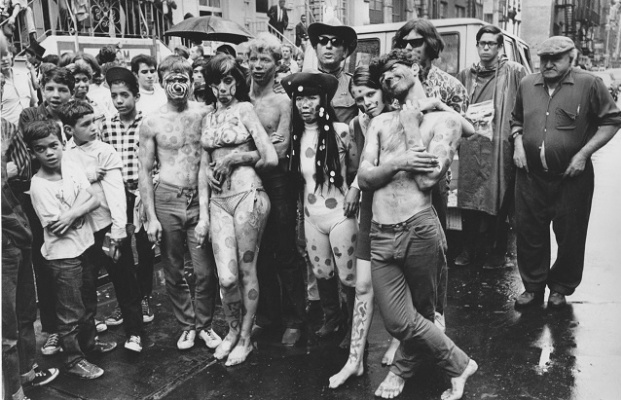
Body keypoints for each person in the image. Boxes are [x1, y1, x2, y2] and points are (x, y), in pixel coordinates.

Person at [358, 49, 477, 400]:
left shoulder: (446, 122)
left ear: (414, 67)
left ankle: (401, 371)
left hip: (419, 228)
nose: (387, 78)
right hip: (381, 232)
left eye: (393, 69)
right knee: (397, 320)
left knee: (424, 312)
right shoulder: (380, 123)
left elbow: (427, 181)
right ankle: (459, 363)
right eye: (382, 76)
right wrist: (398, 163)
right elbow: (364, 178)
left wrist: (412, 128)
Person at [511, 36, 621, 309]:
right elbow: (516, 119)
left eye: (555, 58)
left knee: (571, 235)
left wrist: (584, 154)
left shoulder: (589, 84)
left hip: (572, 177)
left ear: (571, 59)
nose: (548, 64)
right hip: (531, 176)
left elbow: (611, 121)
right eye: (544, 58)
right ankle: (533, 287)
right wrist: (518, 144)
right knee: (529, 233)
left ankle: (560, 288)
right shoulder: (527, 84)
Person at [138, 55, 222, 350]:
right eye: (171, 80)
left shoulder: (205, 114)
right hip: (167, 197)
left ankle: (205, 325)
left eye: (182, 79)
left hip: (200, 198)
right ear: (162, 83)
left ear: (192, 81)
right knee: (173, 270)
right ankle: (187, 326)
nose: (178, 85)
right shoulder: (151, 121)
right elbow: (144, 171)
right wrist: (151, 217)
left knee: (204, 271)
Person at [200, 54, 278, 365]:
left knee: (247, 271)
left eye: (228, 80)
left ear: (237, 81)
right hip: (219, 202)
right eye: (216, 82)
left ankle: (245, 337)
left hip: (248, 195)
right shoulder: (208, 118)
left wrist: (234, 158)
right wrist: (203, 213)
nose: (222, 88)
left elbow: (269, 156)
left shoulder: (245, 109)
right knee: (227, 279)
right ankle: (232, 330)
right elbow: (204, 166)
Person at [328, 65, 397, 388]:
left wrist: (356, 186)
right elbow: (362, 165)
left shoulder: (403, 117)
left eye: (371, 94)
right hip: (371, 208)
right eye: (359, 98)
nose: (367, 102)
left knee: (402, 282)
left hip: (401, 206)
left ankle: (400, 342)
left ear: (384, 89)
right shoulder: (358, 123)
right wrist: (356, 186)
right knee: (363, 284)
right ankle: (355, 360)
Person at [25, 120, 110, 379]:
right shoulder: (39, 185)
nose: (49, 153)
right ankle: (74, 360)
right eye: (41, 149)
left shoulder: (71, 167)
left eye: (54, 145)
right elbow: (57, 227)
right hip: (62, 257)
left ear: (63, 143)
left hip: (84, 246)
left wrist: (71, 213)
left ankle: (89, 345)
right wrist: (82, 203)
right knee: (69, 311)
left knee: (88, 302)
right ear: (32, 152)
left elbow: (95, 199)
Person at [281, 72, 360, 346]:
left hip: (341, 215)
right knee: (322, 272)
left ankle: (354, 327)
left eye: (311, 98)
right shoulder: (295, 136)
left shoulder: (341, 132)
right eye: (299, 99)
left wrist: (354, 191)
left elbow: (357, 168)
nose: (305, 104)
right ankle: (332, 317)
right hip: (312, 217)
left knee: (348, 276)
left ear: (323, 100)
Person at [60, 99, 144, 353]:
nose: (94, 128)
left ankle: (134, 333)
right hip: (83, 232)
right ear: (69, 130)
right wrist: (87, 176)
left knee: (125, 281)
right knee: (86, 287)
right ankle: (89, 342)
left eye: (94, 121)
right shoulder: (64, 154)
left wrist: (119, 229)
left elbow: (116, 193)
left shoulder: (104, 151)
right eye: (85, 124)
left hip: (108, 227)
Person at [246, 33, 307, 346]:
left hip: (279, 182)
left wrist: (242, 156)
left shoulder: (283, 102)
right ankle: (268, 315)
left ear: (277, 63)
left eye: (265, 60)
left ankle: (295, 318)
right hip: (248, 183)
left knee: (284, 249)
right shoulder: (243, 99)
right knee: (259, 252)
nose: (258, 65)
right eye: (253, 59)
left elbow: (280, 151)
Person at [455, 25, 527, 268]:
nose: (486, 48)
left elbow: (525, 105)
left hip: (500, 146)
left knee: (498, 196)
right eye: (482, 43)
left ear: (499, 47)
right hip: (471, 144)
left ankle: (496, 253)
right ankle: (468, 249)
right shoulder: (466, 75)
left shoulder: (514, 72)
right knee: (469, 195)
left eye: (491, 44)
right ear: (477, 46)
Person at [18, 67, 75, 357]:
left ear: (71, 93)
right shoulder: (30, 116)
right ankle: (53, 329)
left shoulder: (74, 115)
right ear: (41, 89)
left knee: (78, 262)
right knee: (45, 262)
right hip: (39, 197)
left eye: (62, 90)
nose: (56, 95)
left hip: (73, 195)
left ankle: (81, 325)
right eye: (50, 88)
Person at [101, 67, 156, 326]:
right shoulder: (107, 126)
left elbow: (156, 161)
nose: (119, 100)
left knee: (145, 249)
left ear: (136, 96)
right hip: (117, 195)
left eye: (124, 95)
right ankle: (126, 301)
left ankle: (144, 296)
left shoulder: (148, 123)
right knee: (119, 251)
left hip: (143, 193)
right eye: (114, 96)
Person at [307, 20, 358, 124]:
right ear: (316, 50)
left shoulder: (354, 84)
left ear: (345, 52)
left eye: (336, 41)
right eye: (323, 40)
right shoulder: (304, 83)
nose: (329, 46)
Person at [1, 45, 37, 125]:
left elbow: (34, 104)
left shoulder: (23, 76)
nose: (3, 59)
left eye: (5, 54)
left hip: (29, 129)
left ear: (11, 54)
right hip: (8, 131)